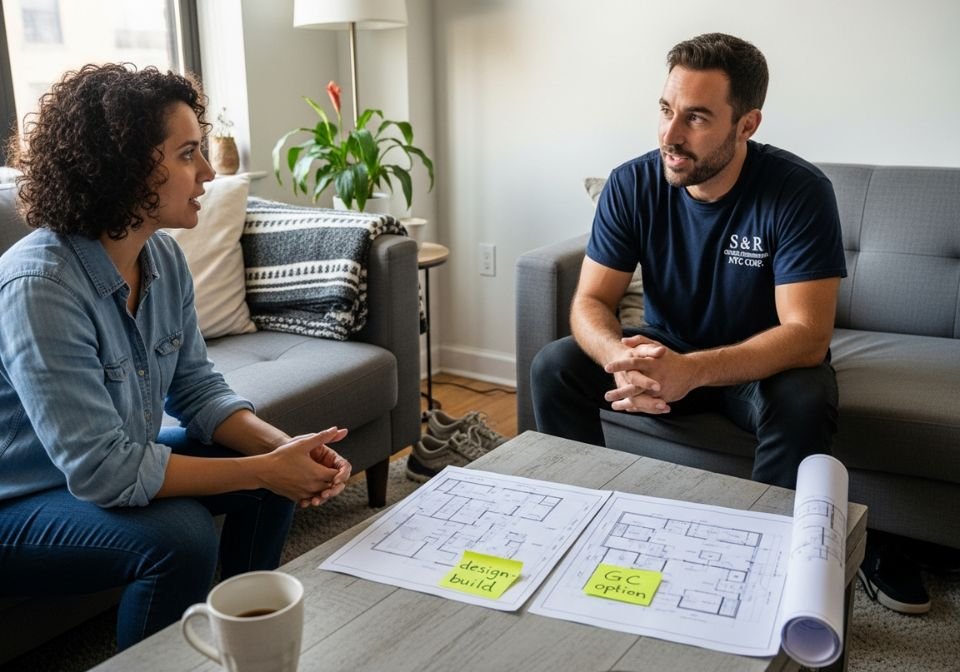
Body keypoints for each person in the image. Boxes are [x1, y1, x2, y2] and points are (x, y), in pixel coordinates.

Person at [531, 33, 932, 615]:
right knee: (556, 365)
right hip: (667, 349)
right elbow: (592, 301)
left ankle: (756, 569)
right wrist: (621, 357)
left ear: (746, 124)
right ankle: (587, 529)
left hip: (760, 363)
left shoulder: (797, 192)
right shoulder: (631, 183)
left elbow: (806, 334)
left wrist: (691, 372)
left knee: (804, 397)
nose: (670, 134)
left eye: (695, 118)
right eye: (666, 110)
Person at [0, 63, 353, 649]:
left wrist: (282, 451)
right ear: (125, 166)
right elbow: (103, 472)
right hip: (19, 500)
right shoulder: (39, 286)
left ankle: (244, 638)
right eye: (188, 154)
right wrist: (264, 466)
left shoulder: (161, 257)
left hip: (92, 470)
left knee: (275, 479)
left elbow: (196, 389)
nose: (209, 173)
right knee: (181, 536)